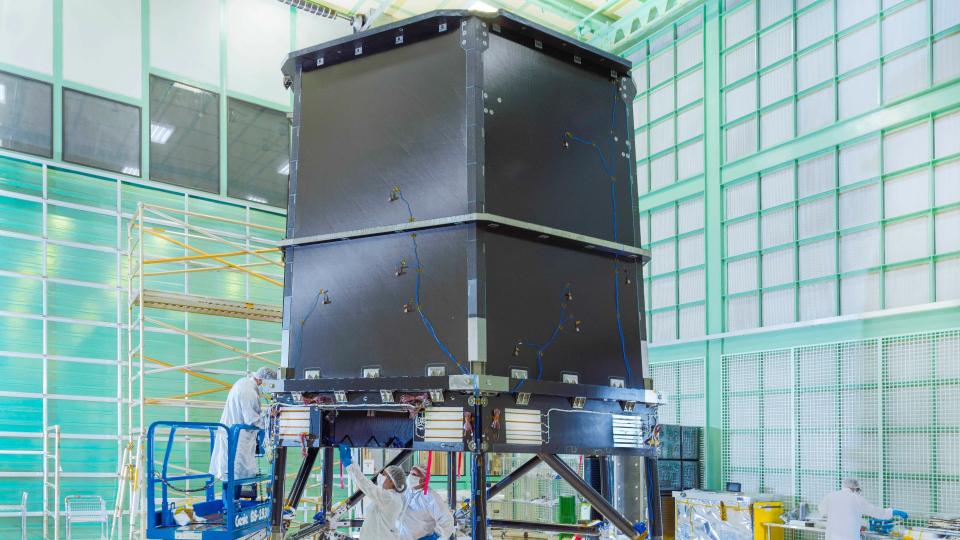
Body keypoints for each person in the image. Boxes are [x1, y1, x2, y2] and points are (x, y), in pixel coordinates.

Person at [208, 367, 276, 481]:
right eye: (271, 385)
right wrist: (270, 419)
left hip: (234, 434)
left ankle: (233, 497)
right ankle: (233, 497)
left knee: (232, 475)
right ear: (262, 381)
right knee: (236, 475)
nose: (269, 390)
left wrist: (266, 415)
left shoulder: (243, 383)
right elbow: (252, 420)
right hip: (239, 439)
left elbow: (248, 412)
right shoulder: (249, 391)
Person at [339, 444, 407, 540]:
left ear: (392, 481)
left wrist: (349, 465)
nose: (380, 475)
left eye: (384, 474)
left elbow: (365, 484)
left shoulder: (388, 497)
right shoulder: (391, 497)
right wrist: (352, 461)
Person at [818, 478, 908, 540]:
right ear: (855, 488)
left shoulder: (831, 496)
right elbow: (875, 511)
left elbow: (822, 511)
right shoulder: (856, 498)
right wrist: (892, 512)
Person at [398, 465, 455, 540]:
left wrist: (435, 536)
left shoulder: (431, 497)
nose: (410, 476)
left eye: (414, 474)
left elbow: (447, 521)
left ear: (424, 479)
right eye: (410, 473)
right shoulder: (404, 491)